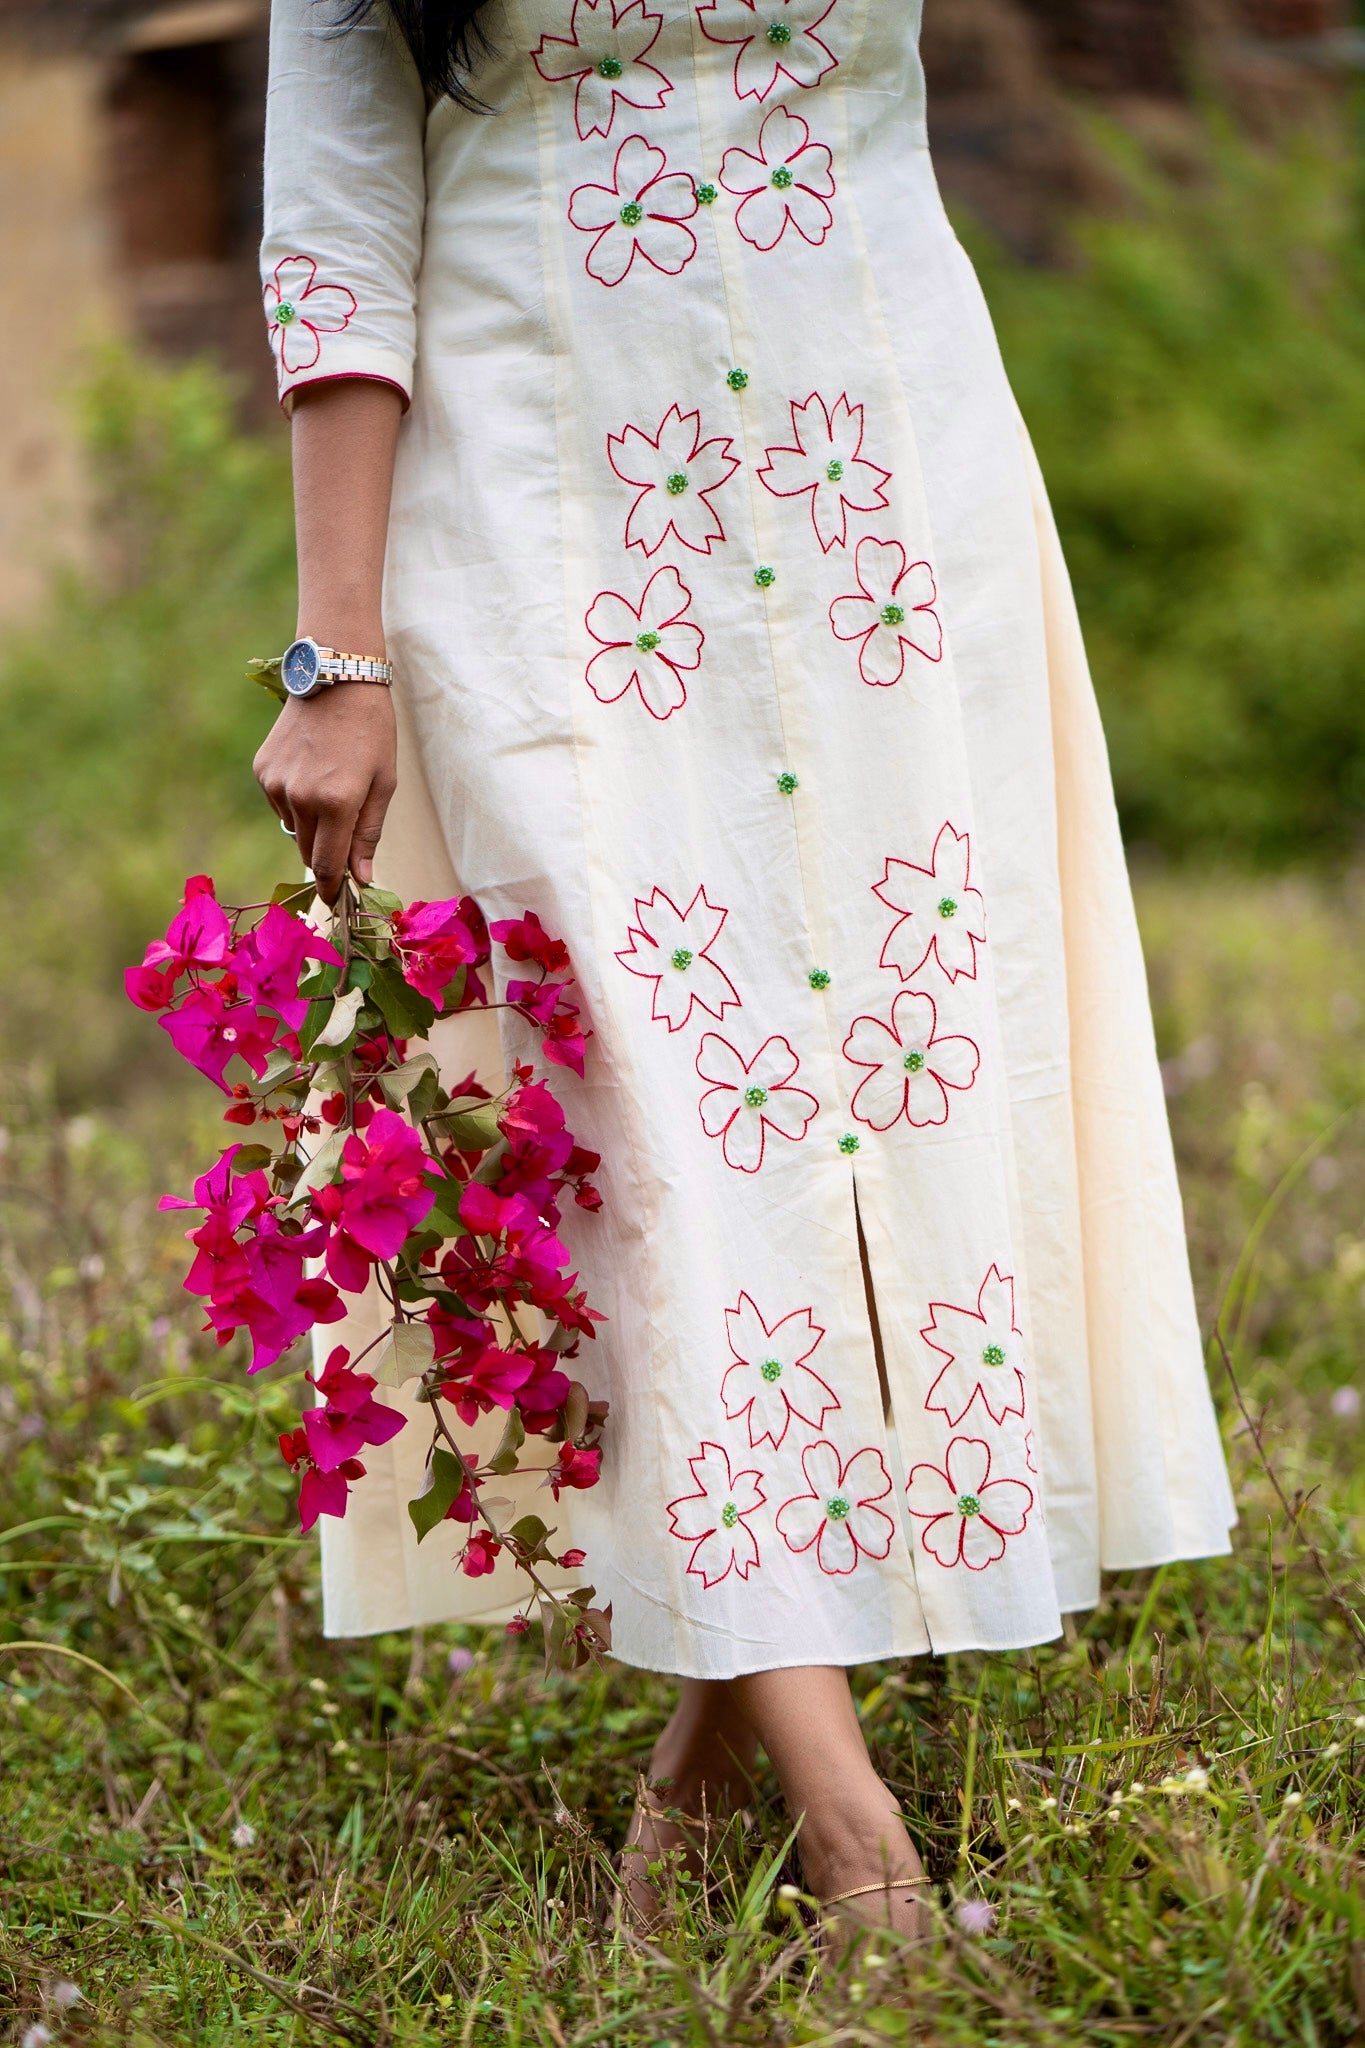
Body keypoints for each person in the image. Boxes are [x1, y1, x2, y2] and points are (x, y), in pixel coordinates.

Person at [253, 0, 1236, 1939]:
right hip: (544, 506)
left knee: (879, 1102)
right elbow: (341, 212)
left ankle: (690, 1812)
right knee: (648, 1097)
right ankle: (858, 1852)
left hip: (877, 462)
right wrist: (336, 650)